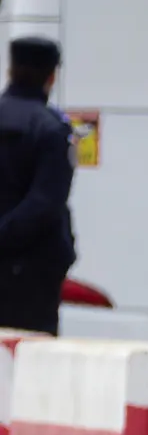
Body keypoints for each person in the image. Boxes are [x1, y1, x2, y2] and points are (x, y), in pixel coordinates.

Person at [0, 38, 74, 333]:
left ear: (10, 70)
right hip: (31, 272)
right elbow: (45, 203)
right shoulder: (51, 128)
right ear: (51, 76)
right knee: (30, 360)